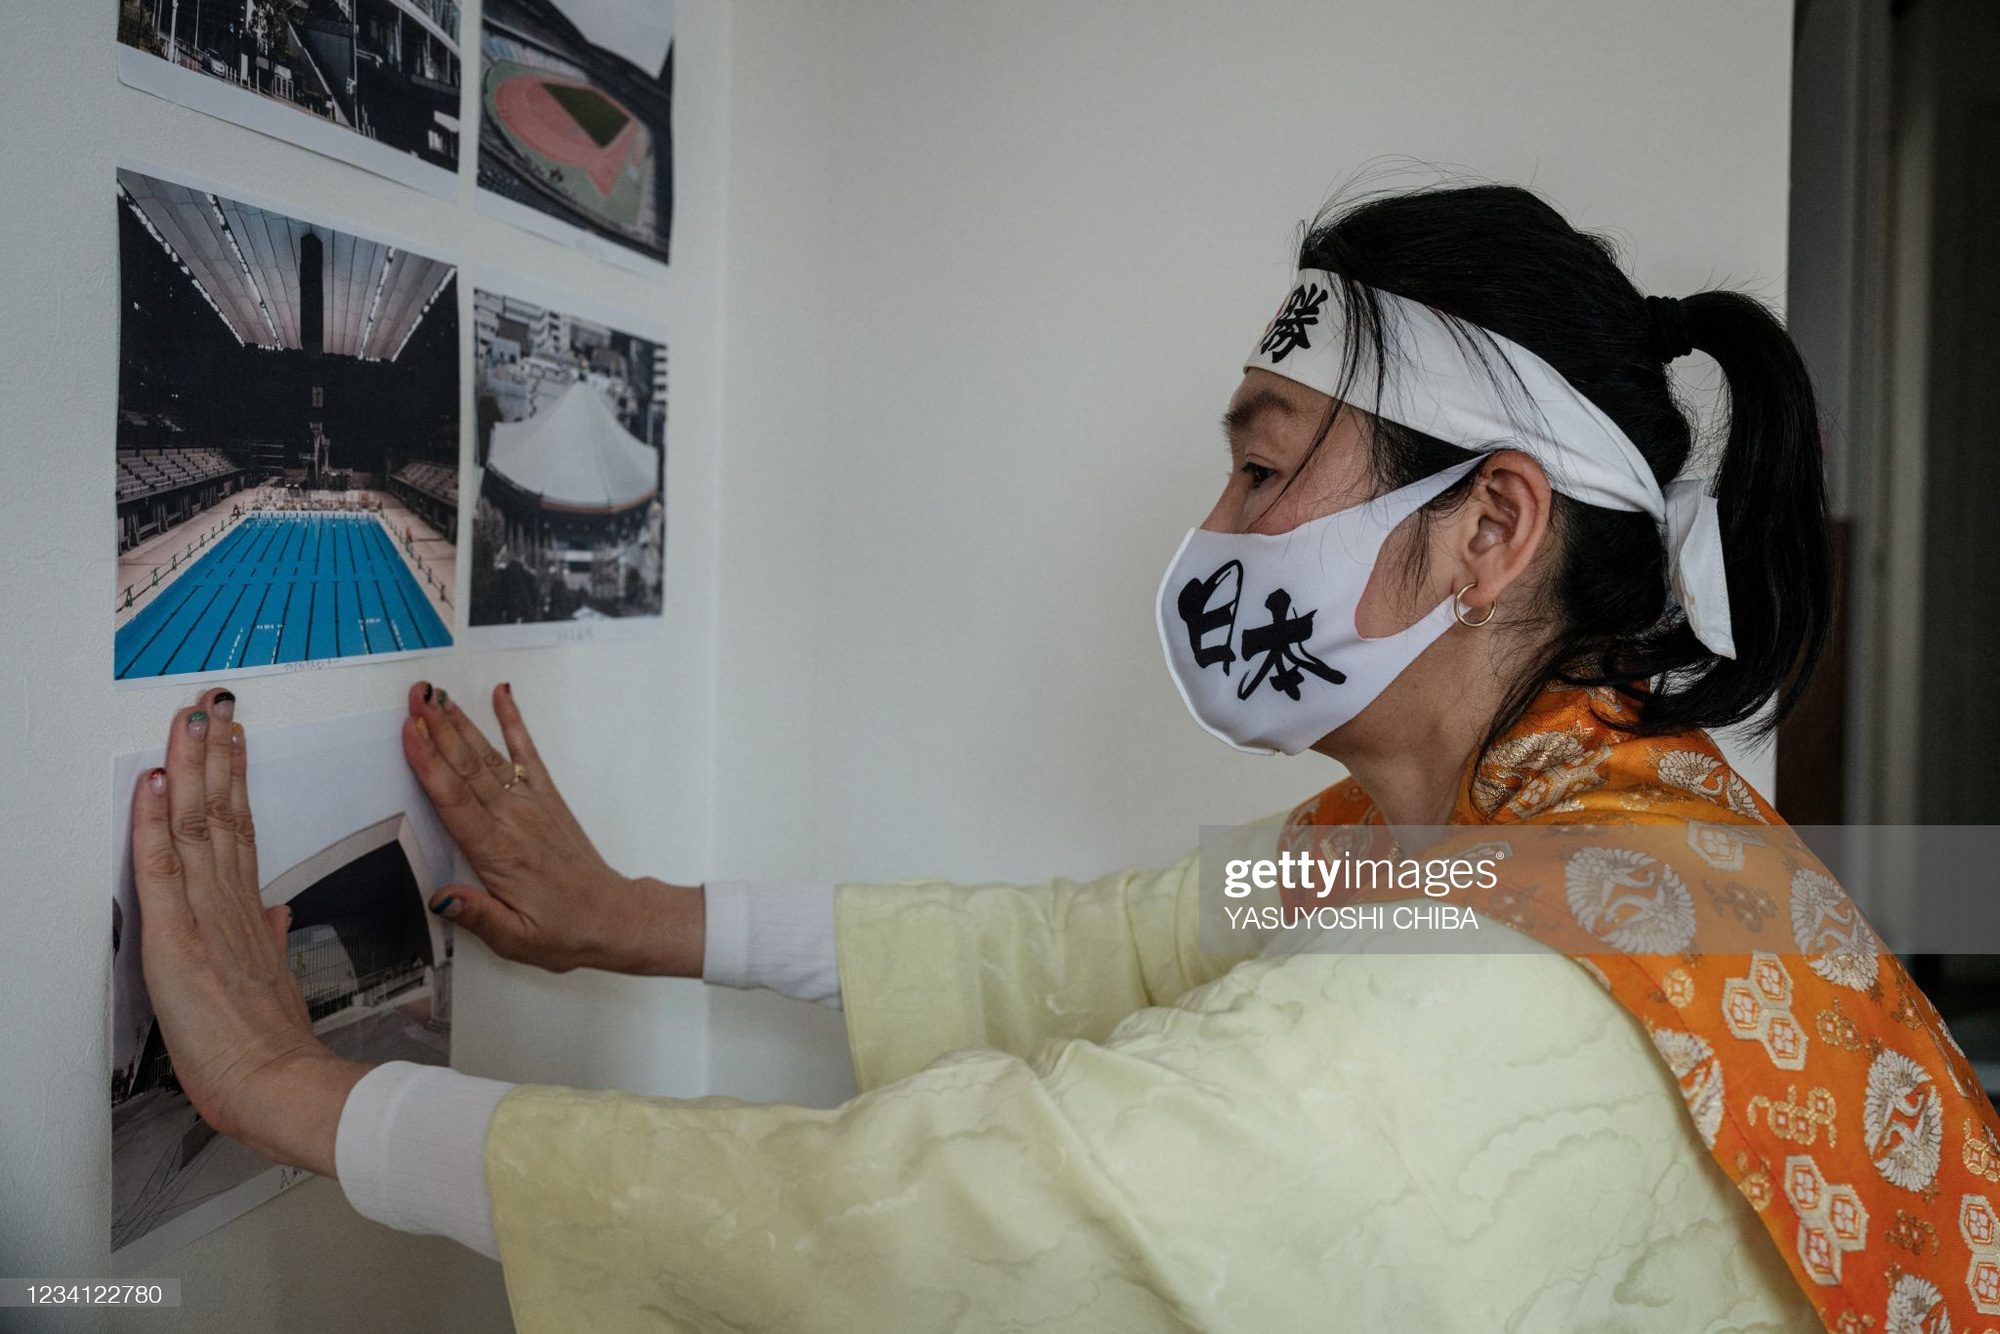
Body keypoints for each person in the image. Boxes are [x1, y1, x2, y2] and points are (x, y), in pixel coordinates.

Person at [127, 184, 1998, 1333]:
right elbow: (1094, 943)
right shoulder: (1533, 826)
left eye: (1266, 467)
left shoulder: (1491, 980)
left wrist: (304, 1097)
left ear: (1490, 529)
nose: (1213, 526)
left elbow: (924, 1229)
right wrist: (645, 921)